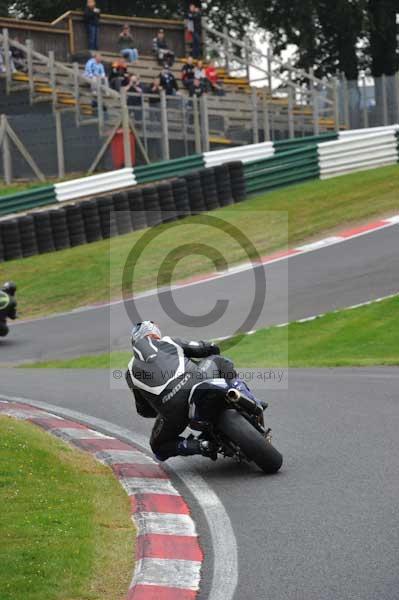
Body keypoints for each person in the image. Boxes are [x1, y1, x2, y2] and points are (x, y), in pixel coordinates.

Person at [125, 321, 237, 461]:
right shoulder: (169, 341)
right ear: (154, 331)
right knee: (219, 361)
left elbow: (144, 410)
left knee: (158, 446)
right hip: (197, 382)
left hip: (173, 410)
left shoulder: (129, 372)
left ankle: (200, 445)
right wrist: (212, 349)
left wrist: (163, 406)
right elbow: (206, 348)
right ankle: (237, 393)